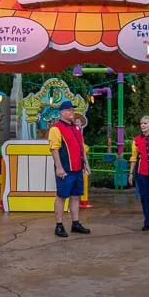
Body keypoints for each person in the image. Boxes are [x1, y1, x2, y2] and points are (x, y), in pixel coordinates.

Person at [48, 101, 91, 237]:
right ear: (62, 112)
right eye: (69, 110)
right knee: (61, 196)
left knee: (76, 196)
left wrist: (86, 164)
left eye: (73, 110)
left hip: (77, 169)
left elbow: (81, 148)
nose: (72, 112)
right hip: (65, 169)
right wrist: (59, 167)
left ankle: (75, 223)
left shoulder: (76, 128)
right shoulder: (56, 128)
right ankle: (59, 225)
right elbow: (54, 149)